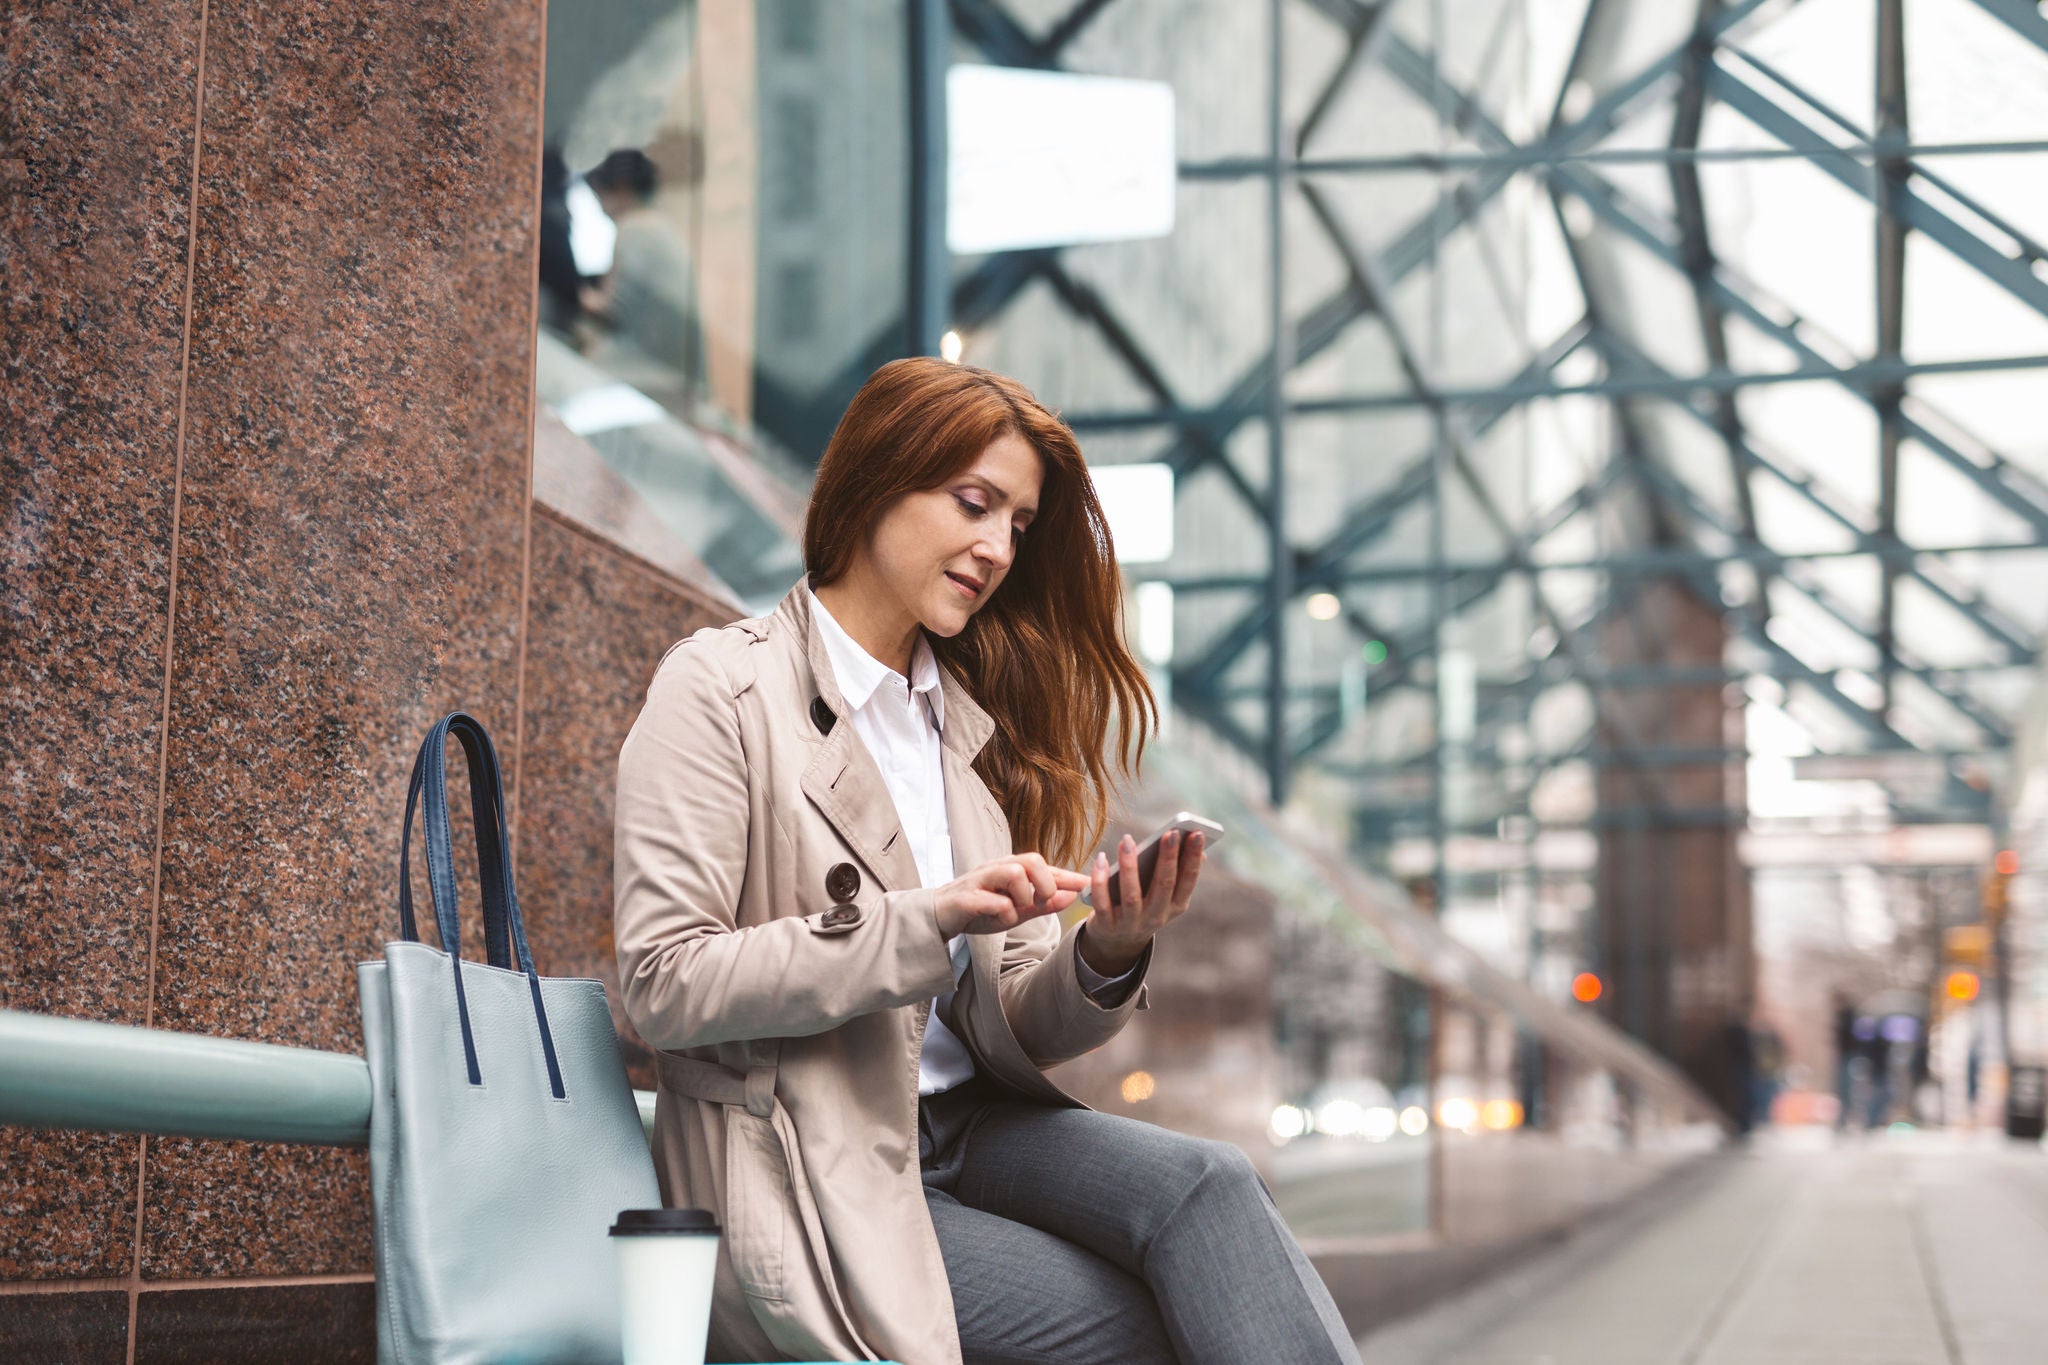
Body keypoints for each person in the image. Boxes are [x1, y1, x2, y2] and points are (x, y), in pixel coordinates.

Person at [614, 358, 1362, 1365]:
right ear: (879, 477)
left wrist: (1106, 947)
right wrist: (923, 920)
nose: (997, 547)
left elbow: (1017, 1024)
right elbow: (664, 984)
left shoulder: (967, 734)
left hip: (973, 1132)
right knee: (1144, 1324)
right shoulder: (721, 689)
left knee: (1211, 1190)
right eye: (974, 503)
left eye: (1016, 523)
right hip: (803, 1157)